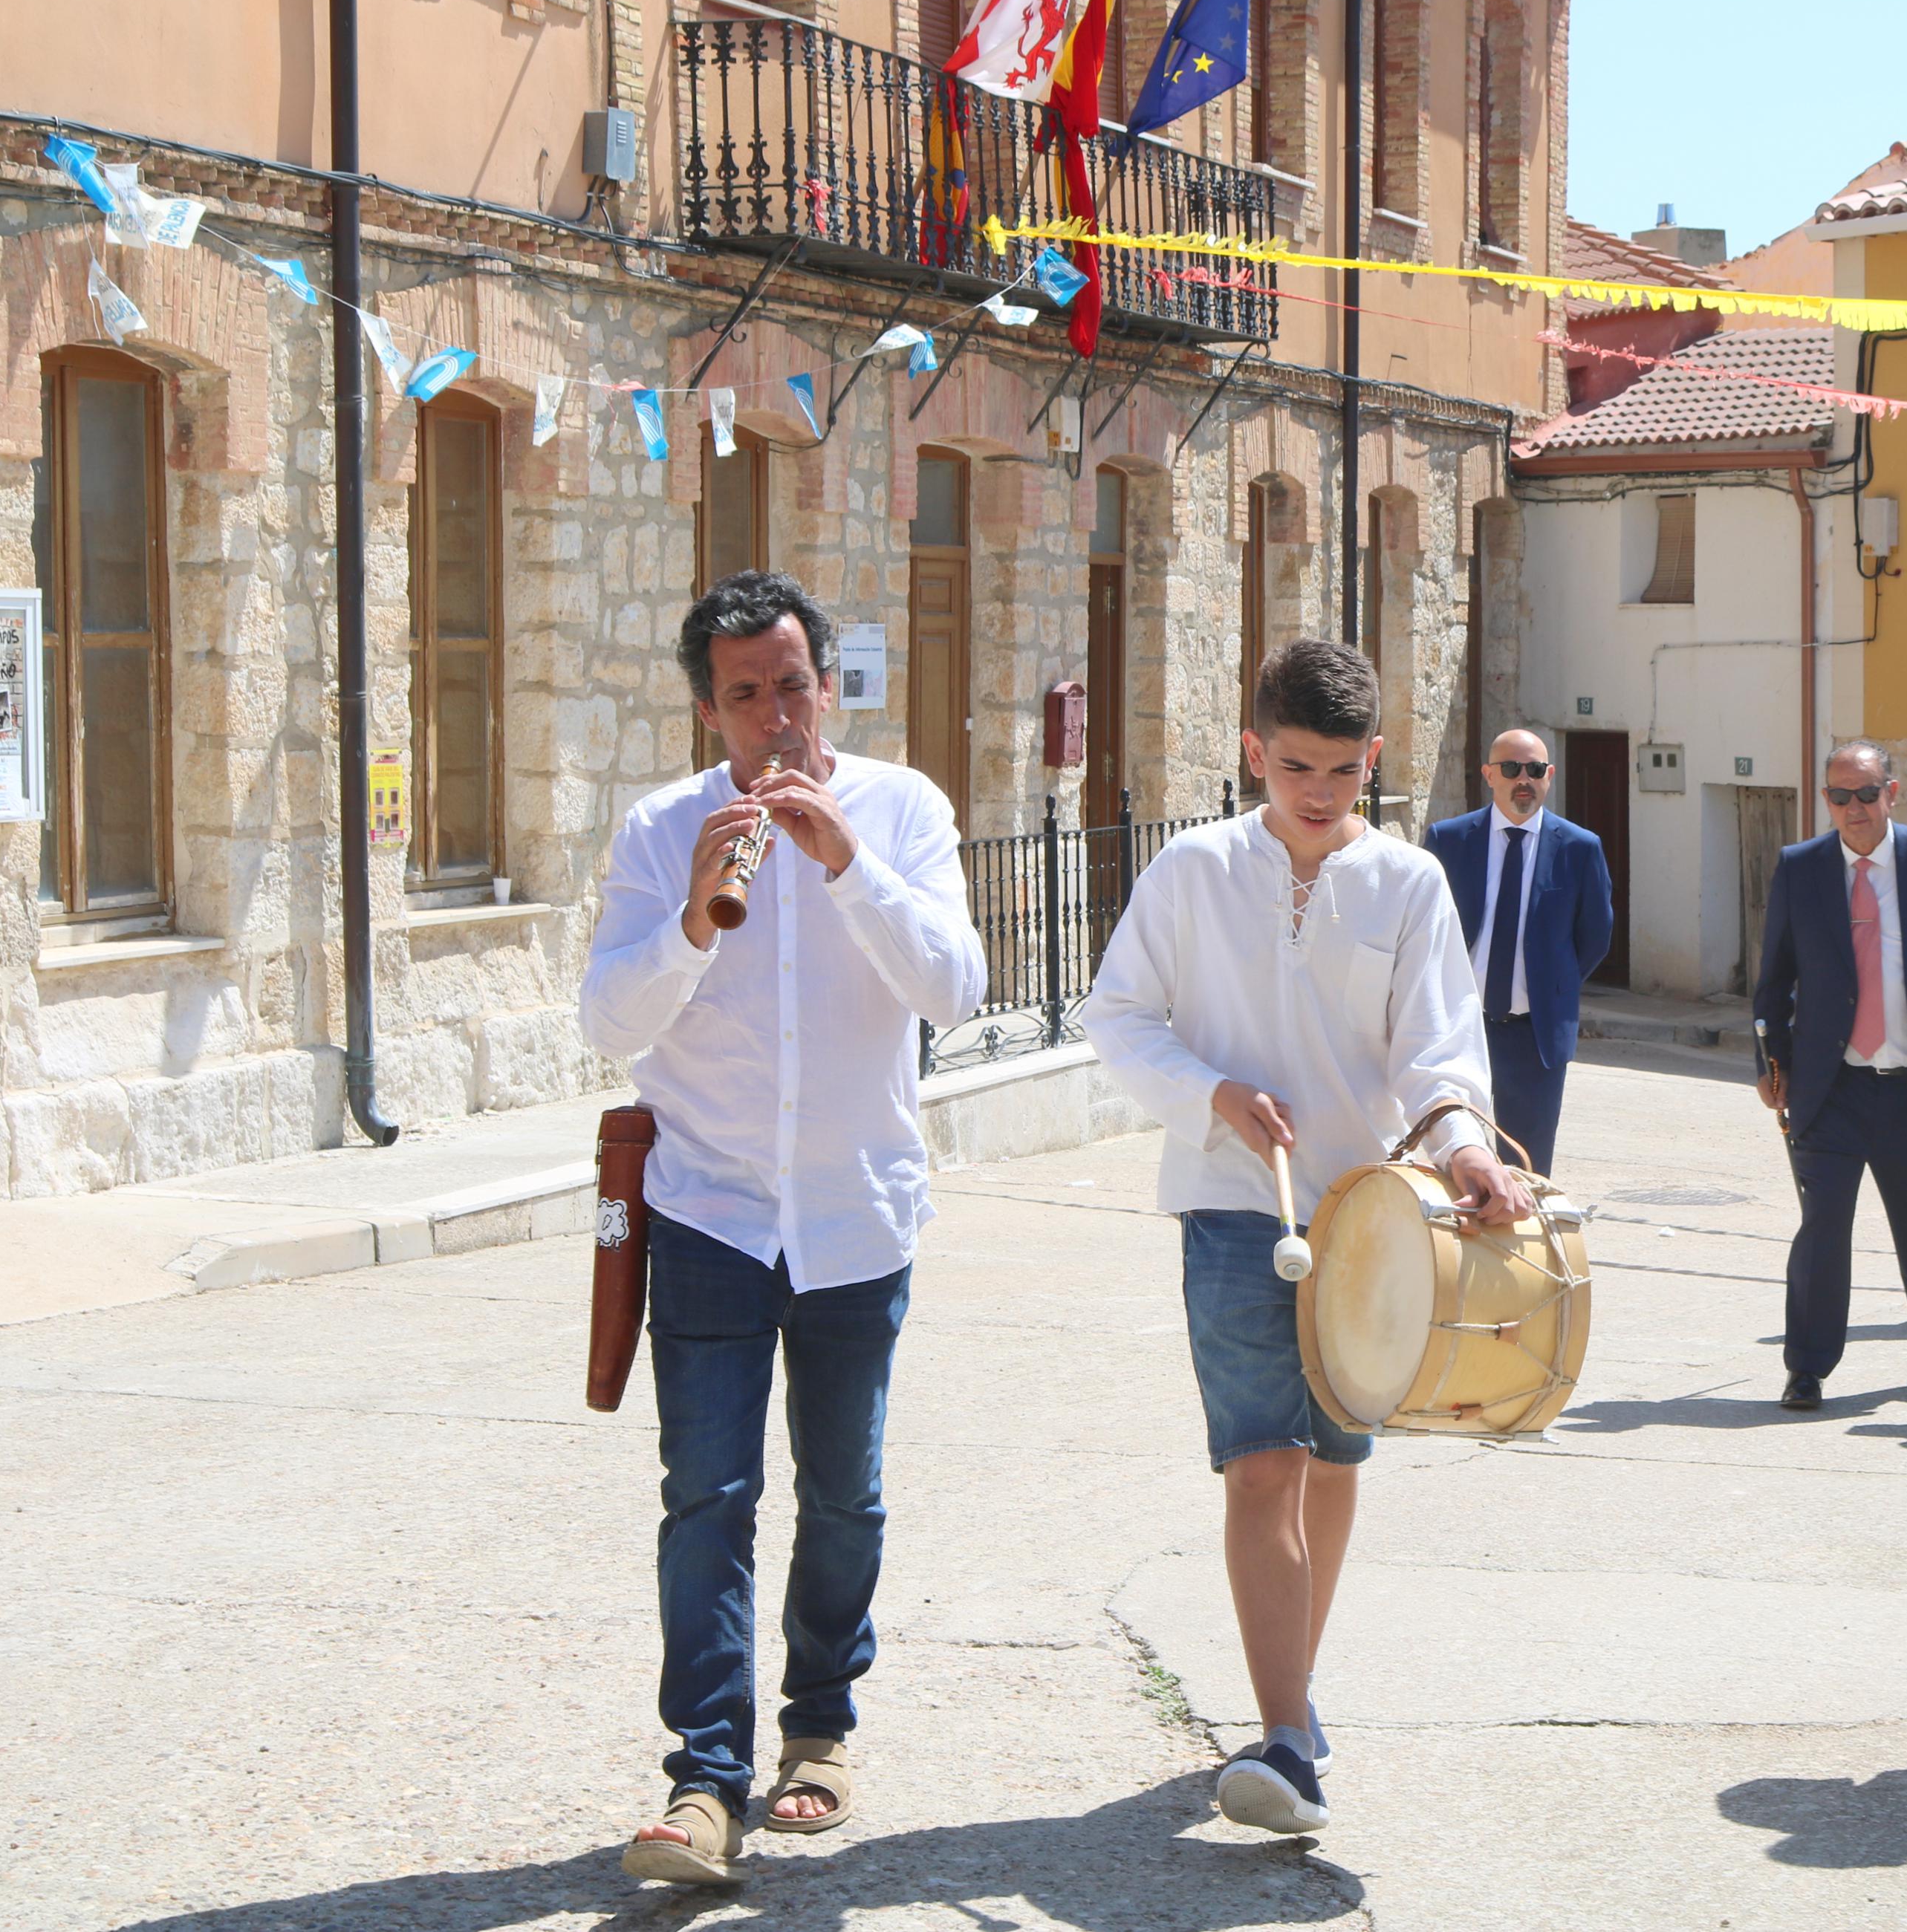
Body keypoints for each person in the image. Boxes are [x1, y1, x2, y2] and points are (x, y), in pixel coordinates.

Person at [1080, 638, 1533, 1834]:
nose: (1318, 792)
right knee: (1261, 1459)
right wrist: (1213, 1093)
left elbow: (1436, 1050)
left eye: (1341, 770)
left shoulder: (1408, 883)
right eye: (1293, 767)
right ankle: (1285, 1735)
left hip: (1370, 1216)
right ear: (1251, 751)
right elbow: (1116, 1015)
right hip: (1233, 1207)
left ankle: (1294, 1704)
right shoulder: (1188, 870)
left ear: (1372, 759)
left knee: (1335, 1460)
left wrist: (1467, 1150)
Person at [580, 571, 989, 1888]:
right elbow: (608, 1025)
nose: (774, 719)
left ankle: (819, 1726)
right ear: (710, 708)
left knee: (845, 1499)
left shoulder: (903, 810)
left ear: (827, 687)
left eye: (793, 687)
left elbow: (956, 992)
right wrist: (696, 922)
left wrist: (846, 866)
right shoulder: (659, 830)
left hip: (855, 1217)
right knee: (706, 1497)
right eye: (745, 695)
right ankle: (703, 1782)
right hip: (708, 1214)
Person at [1754, 740, 1907, 1408]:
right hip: (1831, 1086)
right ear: (1826, 802)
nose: (1854, 809)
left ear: (1891, 793)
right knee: (1822, 1229)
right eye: (1840, 797)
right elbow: (1773, 980)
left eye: (1866, 794)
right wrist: (1771, 1064)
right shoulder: (1801, 868)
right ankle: (1806, 1367)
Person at [1423, 728, 1614, 1176]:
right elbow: (1422, 928)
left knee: (1525, 1172)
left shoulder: (1580, 849)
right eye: (1511, 769)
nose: (1522, 779)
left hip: (1534, 1037)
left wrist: (1550, 986)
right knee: (1450, 1161)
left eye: (1534, 770)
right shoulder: (1448, 840)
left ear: (1549, 776)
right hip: (1458, 1029)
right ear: (1490, 775)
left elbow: (1594, 937)